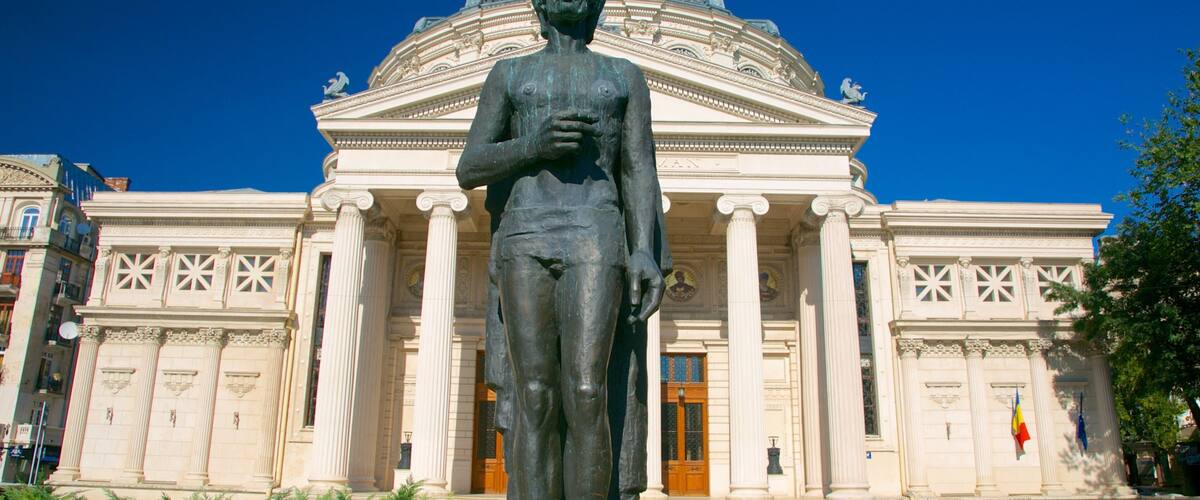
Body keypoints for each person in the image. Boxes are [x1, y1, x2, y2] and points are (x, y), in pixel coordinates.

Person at [456, 0, 668, 497]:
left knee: (588, 389)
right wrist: (534, 145)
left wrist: (643, 250)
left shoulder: (623, 76)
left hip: (597, 231)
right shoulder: (510, 74)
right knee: (534, 393)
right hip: (525, 234)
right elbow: (469, 167)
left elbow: (640, 167)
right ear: (540, 5)